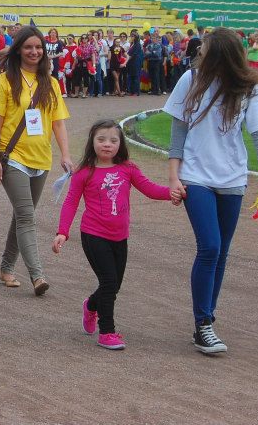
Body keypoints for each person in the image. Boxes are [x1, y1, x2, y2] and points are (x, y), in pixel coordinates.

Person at [164, 27, 258, 355]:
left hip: (232, 178)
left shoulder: (249, 87)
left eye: (205, 49)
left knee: (222, 251)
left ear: (220, 54)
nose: (199, 52)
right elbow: (178, 132)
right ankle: (203, 324)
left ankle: (207, 319)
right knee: (210, 247)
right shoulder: (190, 79)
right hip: (195, 175)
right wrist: (174, 177)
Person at [52, 120, 179, 350]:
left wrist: (173, 193)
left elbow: (150, 189)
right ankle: (107, 332)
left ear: (120, 144)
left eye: (113, 140)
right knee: (109, 282)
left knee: (113, 285)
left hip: (120, 236)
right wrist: (63, 232)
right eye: (101, 139)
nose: (107, 144)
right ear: (92, 142)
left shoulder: (128, 168)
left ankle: (91, 306)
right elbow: (71, 202)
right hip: (93, 234)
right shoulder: (84, 172)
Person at [0, 26, 72, 295]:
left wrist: (65, 154)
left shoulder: (51, 83)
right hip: (13, 157)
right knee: (26, 216)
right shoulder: (5, 81)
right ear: (18, 50)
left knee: (22, 214)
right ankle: (37, 275)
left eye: (38, 47)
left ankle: (6, 267)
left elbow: (58, 123)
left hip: (41, 159)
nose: (34, 52)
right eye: (28, 47)